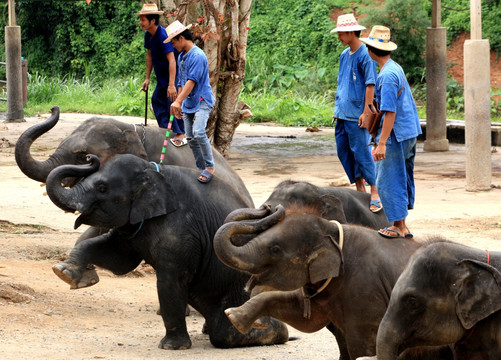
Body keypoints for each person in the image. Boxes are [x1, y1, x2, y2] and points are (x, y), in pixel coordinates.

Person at [360, 25, 422, 239]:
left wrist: (382, 142)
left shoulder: (386, 76)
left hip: (395, 135)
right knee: (401, 177)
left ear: (370, 50)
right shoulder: (395, 68)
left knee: (388, 178)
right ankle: (401, 224)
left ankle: (398, 226)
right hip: (408, 133)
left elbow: (389, 112)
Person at [330, 13, 382, 213]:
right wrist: (338, 110)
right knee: (344, 151)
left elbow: (370, 84)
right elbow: (342, 84)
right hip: (342, 114)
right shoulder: (344, 55)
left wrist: (366, 112)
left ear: (351, 32)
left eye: (341, 33)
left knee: (361, 152)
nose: (339, 37)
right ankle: (359, 187)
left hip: (357, 115)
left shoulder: (365, 56)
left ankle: (375, 191)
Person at [165, 21, 216, 183]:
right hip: (188, 102)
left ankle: (210, 167)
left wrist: (178, 101)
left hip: (201, 100)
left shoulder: (198, 56)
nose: (172, 45)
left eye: (173, 41)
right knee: (190, 137)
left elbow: (191, 82)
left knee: (199, 132)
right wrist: (179, 102)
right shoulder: (181, 56)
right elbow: (181, 82)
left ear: (181, 38)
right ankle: (200, 167)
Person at [136, 3, 186, 146]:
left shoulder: (163, 35)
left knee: (172, 103)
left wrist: (172, 85)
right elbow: (149, 55)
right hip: (161, 76)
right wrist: (147, 78)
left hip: (173, 75)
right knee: (157, 100)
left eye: (143, 19)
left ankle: (180, 133)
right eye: (140, 19)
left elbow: (172, 60)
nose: (140, 22)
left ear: (152, 21)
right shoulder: (148, 35)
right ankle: (166, 130)